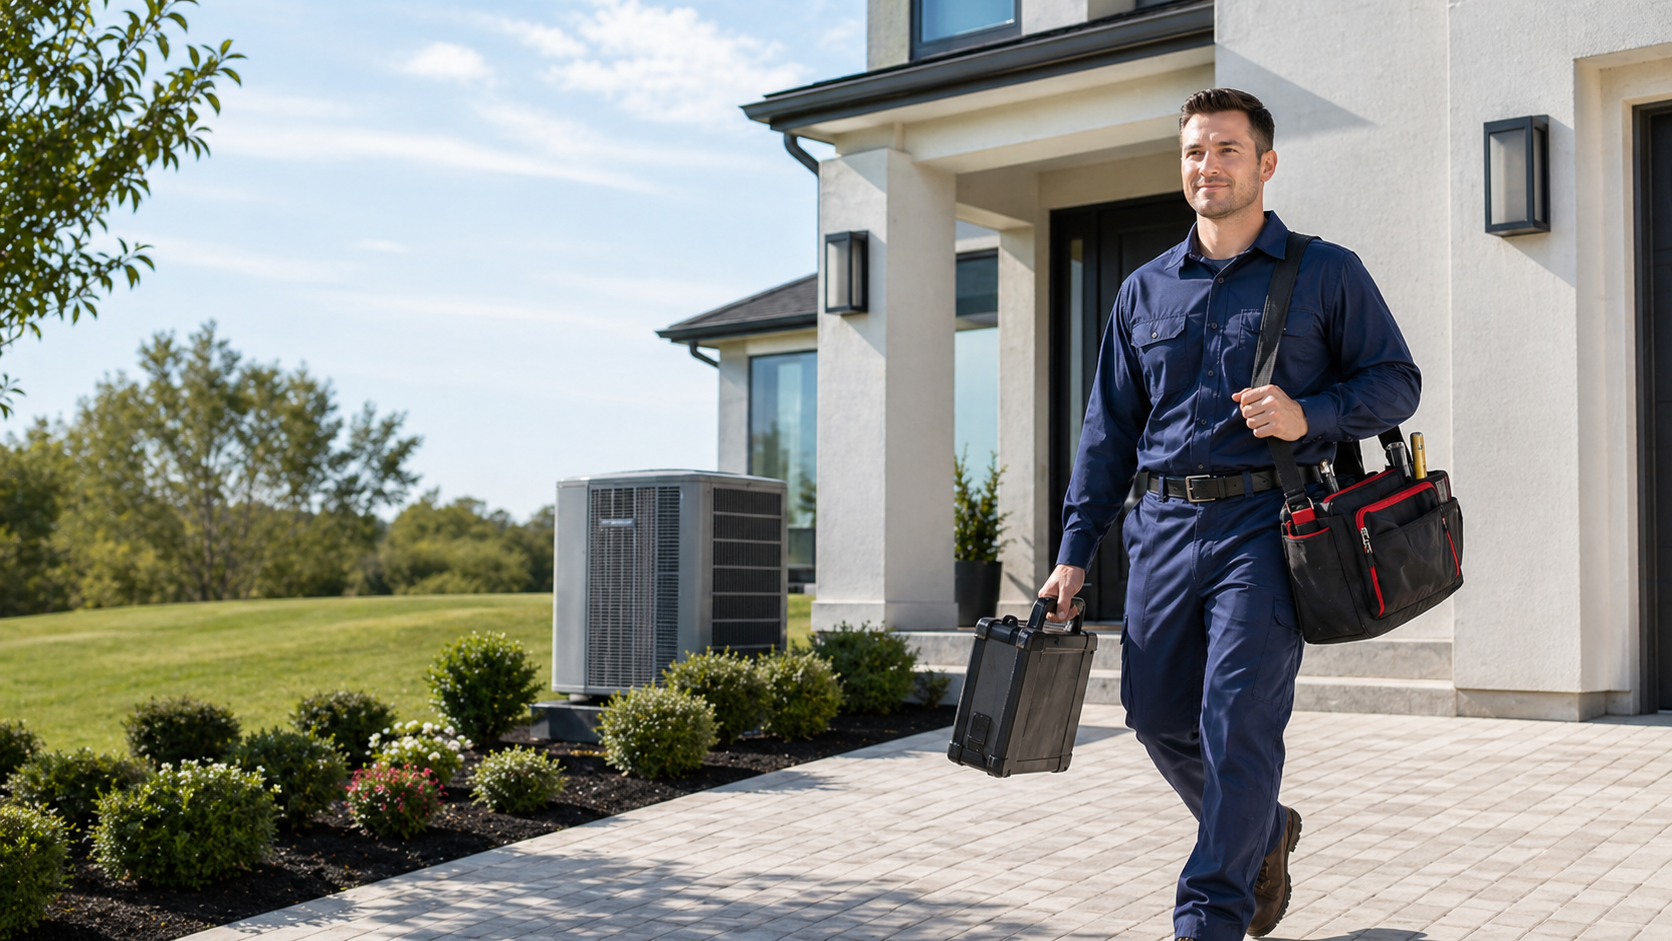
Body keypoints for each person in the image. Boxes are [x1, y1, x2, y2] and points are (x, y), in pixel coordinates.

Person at [1037, 88, 1421, 941]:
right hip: (1163, 532)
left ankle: (1205, 918)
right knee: (1157, 715)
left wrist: (1309, 415)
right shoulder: (1143, 292)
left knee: (1238, 719)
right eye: (1194, 153)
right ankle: (1263, 830)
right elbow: (1108, 432)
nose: (1206, 166)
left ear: (1266, 163)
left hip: (1266, 529)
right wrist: (1072, 550)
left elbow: (1398, 380)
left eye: (1226, 151)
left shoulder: (1326, 271)